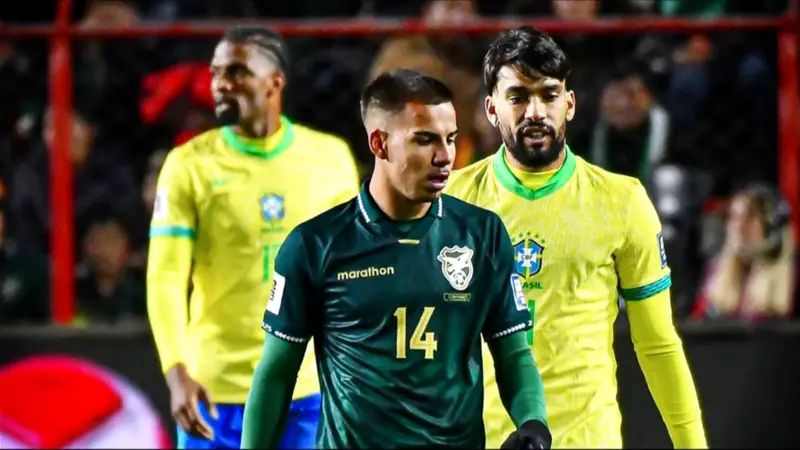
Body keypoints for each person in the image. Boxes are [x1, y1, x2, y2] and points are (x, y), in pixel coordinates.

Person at [241, 69, 551, 449]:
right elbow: (276, 373)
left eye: (450, 139)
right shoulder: (314, 246)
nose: (445, 157)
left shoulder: (482, 234)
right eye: (424, 140)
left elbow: (514, 353)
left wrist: (533, 422)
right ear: (379, 143)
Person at [444, 26, 707, 448]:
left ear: (569, 104)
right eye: (518, 97)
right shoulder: (448, 204)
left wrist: (692, 444)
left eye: (548, 95)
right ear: (491, 109)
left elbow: (657, 344)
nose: (535, 112)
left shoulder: (622, 202)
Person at [146, 25, 360, 449]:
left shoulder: (330, 160)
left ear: (275, 81)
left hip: (305, 391)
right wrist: (176, 371)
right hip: (213, 394)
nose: (220, 84)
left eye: (237, 72)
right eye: (216, 73)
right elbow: (165, 277)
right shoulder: (188, 166)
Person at [693, 183, 797, 321]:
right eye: (734, 217)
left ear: (771, 228)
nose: (739, 226)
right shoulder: (716, 273)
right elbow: (698, 322)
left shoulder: (793, 279)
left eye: (750, 217)